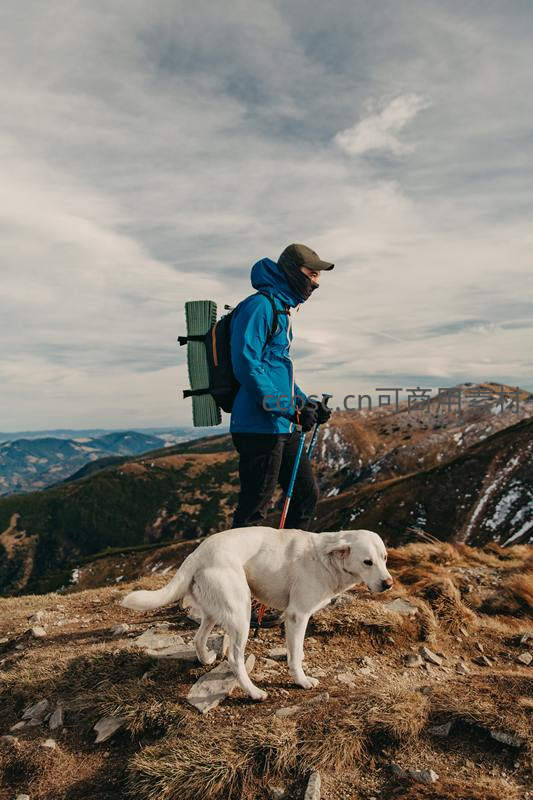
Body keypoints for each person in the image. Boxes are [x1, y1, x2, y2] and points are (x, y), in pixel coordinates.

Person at [229, 243, 334, 608]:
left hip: (280, 424)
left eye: (319, 274)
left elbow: (278, 369)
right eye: (312, 273)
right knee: (253, 513)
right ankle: (235, 595)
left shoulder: (282, 309)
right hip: (258, 425)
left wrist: (306, 403)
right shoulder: (260, 307)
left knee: (307, 495)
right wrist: (288, 407)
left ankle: (292, 582)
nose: (316, 281)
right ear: (292, 270)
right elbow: (247, 367)